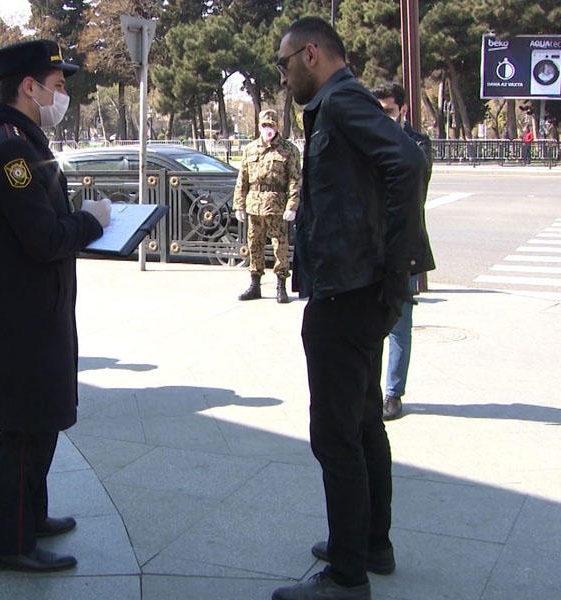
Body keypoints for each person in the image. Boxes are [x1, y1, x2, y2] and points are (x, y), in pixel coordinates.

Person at [272, 17, 431, 600]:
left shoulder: (340, 102)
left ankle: (346, 575)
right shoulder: (340, 104)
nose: (284, 76)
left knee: (334, 434)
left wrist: (395, 262)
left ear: (312, 54)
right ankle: (370, 543)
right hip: (356, 287)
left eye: (285, 63)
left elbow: (408, 163)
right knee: (363, 420)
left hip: (348, 293)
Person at [0, 39, 111, 573]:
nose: (63, 94)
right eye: (57, 85)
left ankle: (33, 514)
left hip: (33, 312)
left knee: (39, 423)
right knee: (24, 430)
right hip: (22, 319)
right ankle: (11, 542)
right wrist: (93, 219)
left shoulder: (19, 138)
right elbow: (45, 237)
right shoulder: (9, 148)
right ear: (28, 87)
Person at [370, 81, 435, 421]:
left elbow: (413, 186)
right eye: (377, 112)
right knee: (366, 322)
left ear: (403, 111)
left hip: (404, 248)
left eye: (389, 112)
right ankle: (370, 390)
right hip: (370, 248)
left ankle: (393, 393)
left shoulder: (417, 144)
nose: (383, 118)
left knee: (399, 323)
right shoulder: (367, 143)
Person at [233, 109, 301, 304]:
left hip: (277, 206)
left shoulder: (288, 149)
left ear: (277, 126)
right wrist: (239, 204)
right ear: (259, 126)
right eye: (264, 125)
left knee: (280, 245)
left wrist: (292, 205)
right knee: (254, 244)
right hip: (254, 205)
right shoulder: (250, 149)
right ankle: (255, 284)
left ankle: (281, 285)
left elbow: (295, 180)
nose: (268, 129)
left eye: (271, 125)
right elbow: (242, 179)